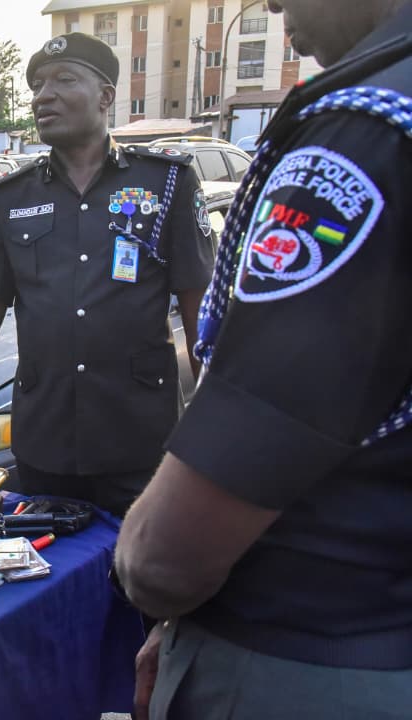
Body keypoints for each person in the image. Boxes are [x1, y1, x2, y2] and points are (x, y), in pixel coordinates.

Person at [115, 1, 412, 717]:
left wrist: (157, 582)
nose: (274, 4)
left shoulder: (365, 132)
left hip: (307, 653)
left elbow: (164, 563)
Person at [0, 34, 214, 517]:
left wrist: (216, 422)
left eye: (64, 80)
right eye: (37, 85)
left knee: (142, 580)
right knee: (49, 576)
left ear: (106, 95)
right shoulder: (11, 196)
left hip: (139, 441)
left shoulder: (165, 181)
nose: (42, 95)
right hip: (45, 445)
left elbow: (201, 310)